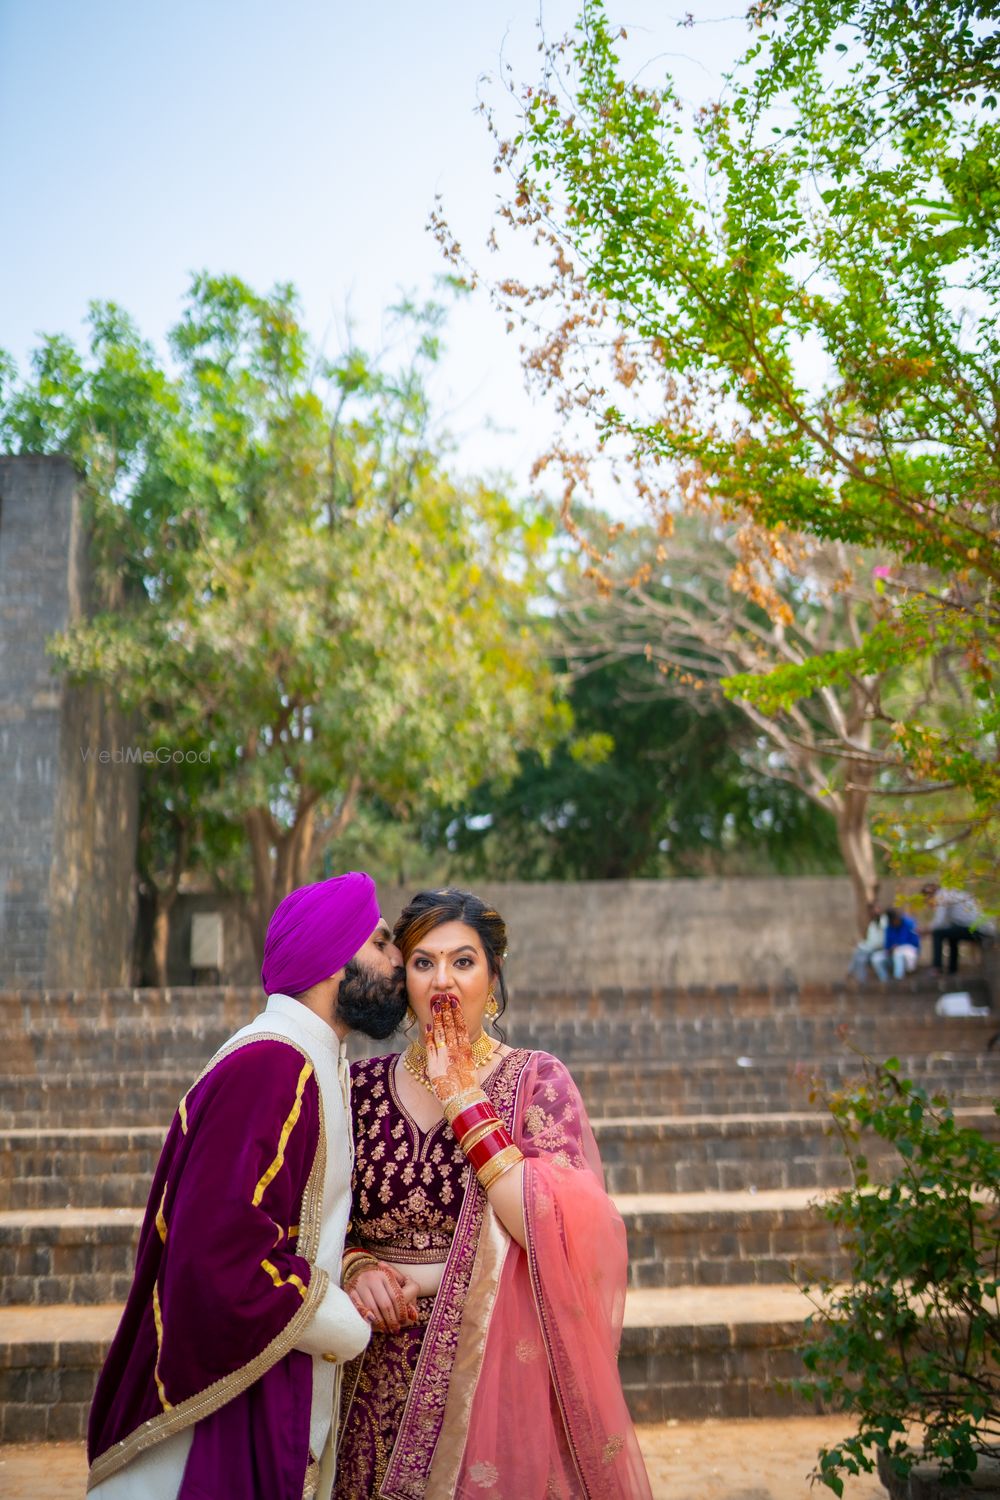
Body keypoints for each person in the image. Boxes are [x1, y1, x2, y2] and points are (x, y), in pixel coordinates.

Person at [87, 871, 413, 1500]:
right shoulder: (275, 1064)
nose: (397, 961)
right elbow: (221, 1256)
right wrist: (343, 1322)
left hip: (266, 1369)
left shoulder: (310, 1060)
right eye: (379, 943)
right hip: (233, 1392)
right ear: (329, 959)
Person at [334, 888, 653, 1500]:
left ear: (493, 975)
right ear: (402, 978)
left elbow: (552, 1229)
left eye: (463, 961)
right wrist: (357, 1267)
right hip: (364, 1373)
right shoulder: (358, 1087)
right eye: (423, 962)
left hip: (487, 1376)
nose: (442, 982)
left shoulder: (537, 1081)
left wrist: (461, 1094)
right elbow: (321, 1218)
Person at [922, 883, 995, 976]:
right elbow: (945, 923)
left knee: (937, 933)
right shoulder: (951, 892)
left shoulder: (942, 896)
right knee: (951, 933)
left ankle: (937, 968)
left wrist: (925, 930)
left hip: (979, 931)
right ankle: (952, 970)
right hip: (982, 930)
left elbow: (939, 923)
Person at [877, 907, 921, 981]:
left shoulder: (909, 923)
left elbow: (915, 943)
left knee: (898, 953)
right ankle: (885, 981)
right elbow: (887, 945)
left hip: (909, 952)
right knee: (876, 959)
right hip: (892, 954)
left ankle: (898, 979)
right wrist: (890, 949)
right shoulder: (889, 927)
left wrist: (899, 945)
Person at [848, 901, 887, 982]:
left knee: (859, 955)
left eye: (876, 909)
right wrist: (859, 944)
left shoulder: (885, 921)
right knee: (859, 956)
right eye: (872, 910)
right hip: (870, 949)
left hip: (880, 949)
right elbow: (870, 941)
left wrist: (862, 946)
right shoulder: (872, 925)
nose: (874, 911)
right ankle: (859, 979)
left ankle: (851, 973)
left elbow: (878, 942)